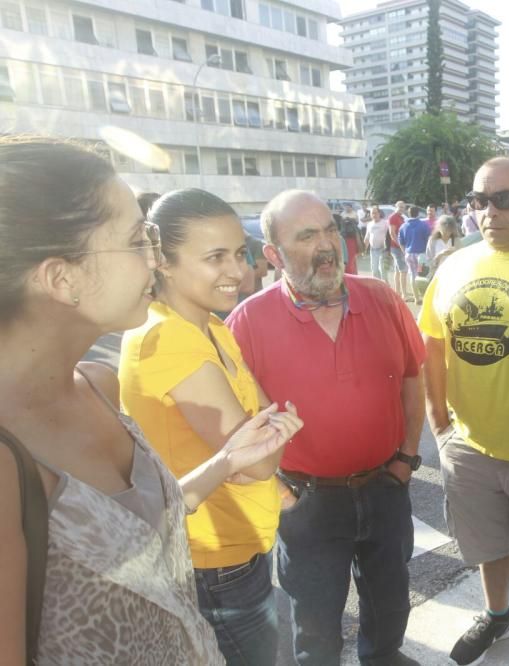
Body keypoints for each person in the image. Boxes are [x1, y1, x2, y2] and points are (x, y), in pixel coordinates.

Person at [0, 136, 302, 664]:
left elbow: (141, 522)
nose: (153, 262)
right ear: (60, 277)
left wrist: (228, 460)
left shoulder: (97, 382)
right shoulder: (8, 455)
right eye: (140, 241)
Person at [226, 190, 425, 666]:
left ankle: (384, 658)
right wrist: (282, 496)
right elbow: (233, 425)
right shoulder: (247, 321)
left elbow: (414, 379)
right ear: (273, 254)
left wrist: (405, 460)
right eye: (307, 235)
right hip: (307, 502)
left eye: (330, 230)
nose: (326, 245)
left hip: (385, 486)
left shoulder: (381, 297)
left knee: (391, 601)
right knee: (314, 627)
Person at [119, 189, 291, 665]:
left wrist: (265, 437)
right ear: (163, 262)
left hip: (239, 547)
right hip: (214, 562)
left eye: (240, 254)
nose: (238, 271)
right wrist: (266, 438)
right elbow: (257, 458)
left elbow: (263, 429)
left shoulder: (210, 326)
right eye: (215, 257)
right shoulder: (166, 339)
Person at [420, 157, 509, 666]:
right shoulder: (454, 265)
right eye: (479, 200)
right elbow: (432, 346)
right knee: (489, 546)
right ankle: (497, 614)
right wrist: (440, 426)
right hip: (470, 449)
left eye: (505, 199)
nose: (489, 211)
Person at [398, 205, 431, 304]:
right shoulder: (423, 225)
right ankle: (424, 296)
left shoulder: (403, 226)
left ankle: (416, 298)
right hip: (420, 255)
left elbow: (400, 241)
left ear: (409, 213)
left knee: (412, 275)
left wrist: (405, 252)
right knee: (421, 275)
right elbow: (428, 240)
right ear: (418, 214)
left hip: (409, 254)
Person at [387, 200, 408, 296]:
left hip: (399, 247)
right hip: (396, 247)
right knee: (403, 270)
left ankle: (397, 292)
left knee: (398, 270)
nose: (401, 209)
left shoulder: (401, 218)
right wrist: (400, 246)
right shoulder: (393, 217)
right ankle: (404, 294)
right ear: (395, 207)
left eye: (403, 207)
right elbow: (392, 233)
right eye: (399, 207)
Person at [364, 205, 390, 282]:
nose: (374, 215)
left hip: (383, 250)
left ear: (379, 213)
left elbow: (389, 236)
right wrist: (364, 249)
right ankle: (378, 289)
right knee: (375, 271)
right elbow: (367, 238)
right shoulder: (369, 224)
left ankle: (386, 288)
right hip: (373, 250)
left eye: (375, 213)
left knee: (383, 271)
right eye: (372, 213)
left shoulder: (385, 223)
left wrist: (389, 249)